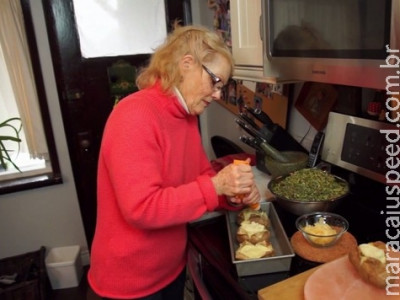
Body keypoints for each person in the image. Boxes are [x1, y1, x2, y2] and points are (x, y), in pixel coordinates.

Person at [88, 24, 261, 300]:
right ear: (186, 65)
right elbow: (142, 208)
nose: (218, 94)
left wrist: (233, 194)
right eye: (215, 81)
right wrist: (216, 186)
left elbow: (202, 178)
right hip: (130, 284)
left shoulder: (186, 116)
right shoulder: (135, 116)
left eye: (222, 86)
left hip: (170, 269)